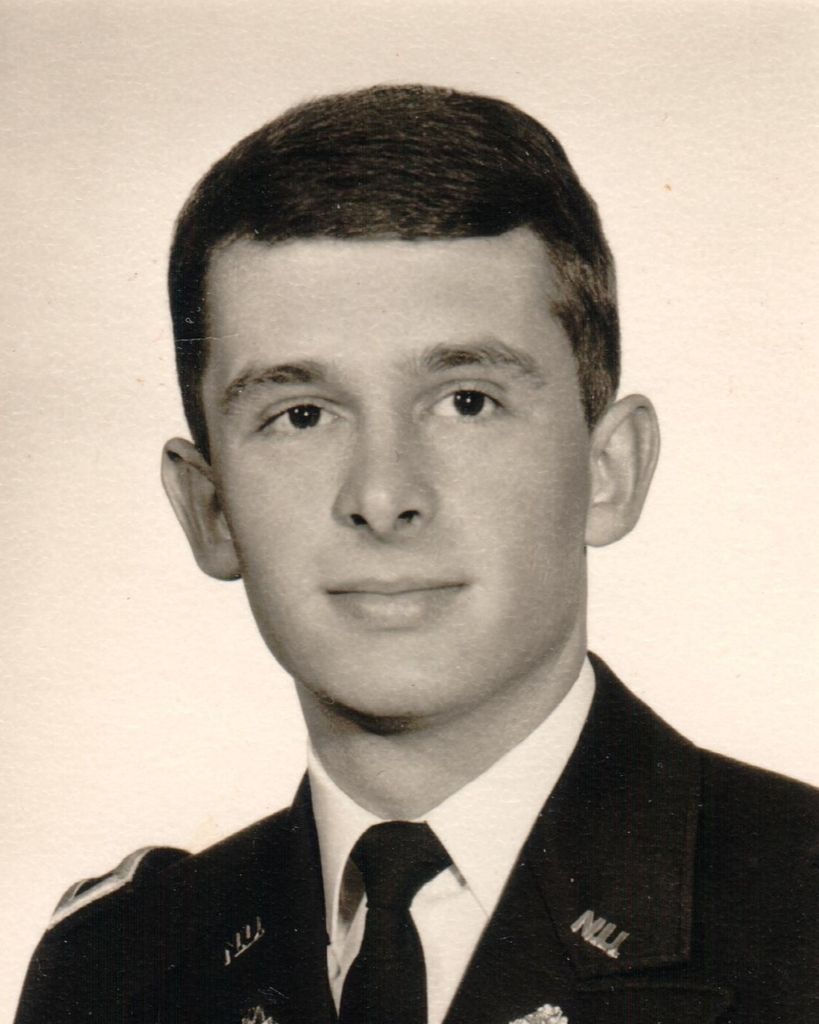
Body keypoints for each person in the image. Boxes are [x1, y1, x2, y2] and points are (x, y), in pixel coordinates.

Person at [14, 85, 818, 1024]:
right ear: (210, 508)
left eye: (466, 401)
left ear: (609, 470)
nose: (382, 495)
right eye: (300, 415)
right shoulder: (113, 973)